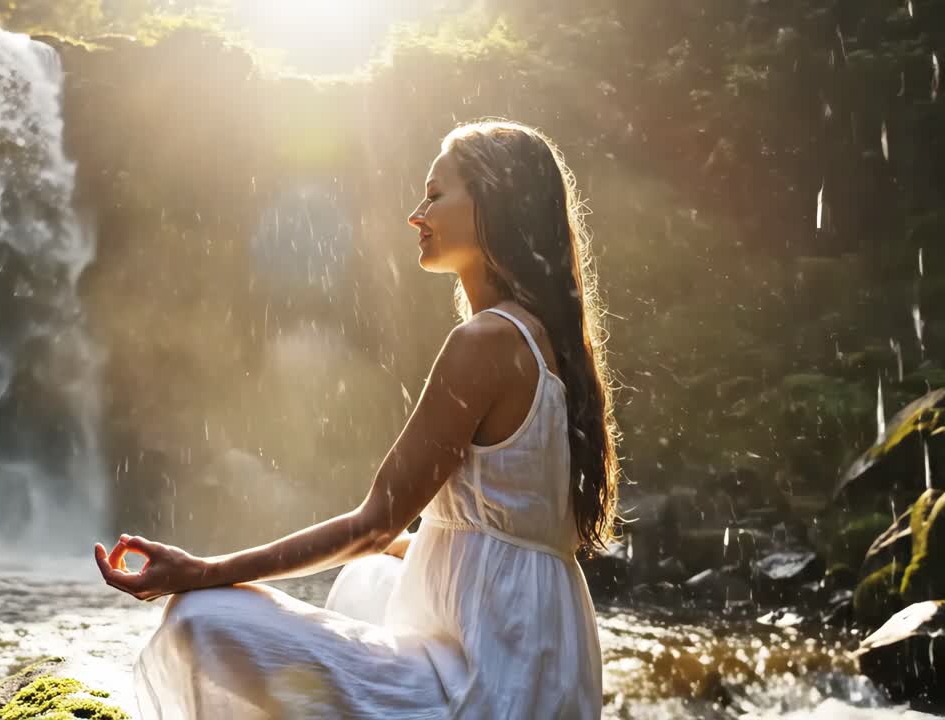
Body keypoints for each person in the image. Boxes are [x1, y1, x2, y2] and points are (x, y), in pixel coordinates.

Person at [95, 118, 620, 719]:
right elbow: (484, 534)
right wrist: (393, 551)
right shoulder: (546, 342)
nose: (415, 213)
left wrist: (208, 570)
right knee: (369, 578)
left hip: (491, 682)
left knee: (199, 617)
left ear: (494, 204)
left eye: (435, 194)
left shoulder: (486, 341)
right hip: (544, 668)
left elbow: (374, 522)